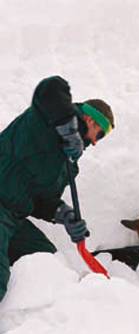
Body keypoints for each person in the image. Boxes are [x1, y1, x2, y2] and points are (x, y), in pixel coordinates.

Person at [0, 75, 115, 302]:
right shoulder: (43, 120)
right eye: (100, 134)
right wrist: (68, 129)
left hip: (12, 218)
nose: (96, 142)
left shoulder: (67, 163)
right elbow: (50, 87)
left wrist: (63, 215)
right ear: (90, 121)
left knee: (49, 262)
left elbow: (41, 201)